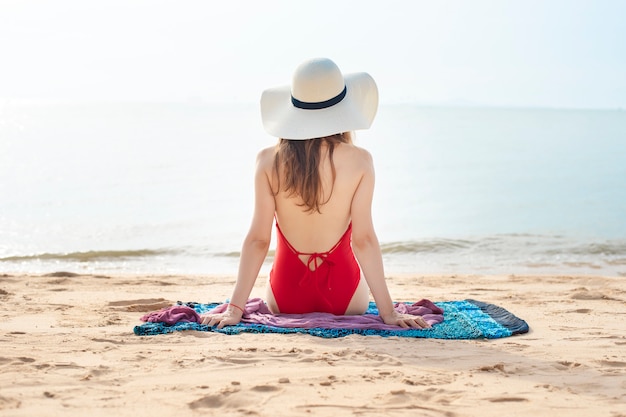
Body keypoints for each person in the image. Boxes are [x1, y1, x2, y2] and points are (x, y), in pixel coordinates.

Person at [200, 58, 430, 330]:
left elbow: (258, 241)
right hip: (345, 298)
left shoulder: (266, 160)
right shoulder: (360, 161)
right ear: (342, 110)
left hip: (285, 297)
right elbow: (364, 240)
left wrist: (234, 310)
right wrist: (388, 313)